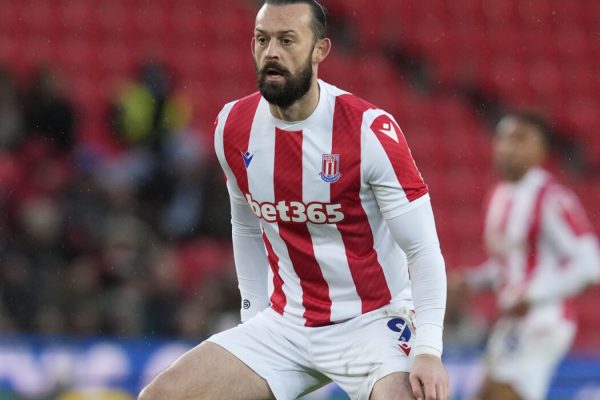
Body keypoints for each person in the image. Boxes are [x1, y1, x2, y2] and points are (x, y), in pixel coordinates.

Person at [139, 1, 449, 399]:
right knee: (159, 397)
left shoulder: (369, 130)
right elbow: (247, 225)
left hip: (372, 322)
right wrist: (251, 317)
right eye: (262, 39)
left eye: (287, 40)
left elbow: (423, 249)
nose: (272, 52)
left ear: (320, 50)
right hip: (286, 325)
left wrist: (428, 348)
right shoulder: (232, 127)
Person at [450, 112, 600, 400]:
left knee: (500, 394)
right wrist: (471, 281)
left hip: (543, 320)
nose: (508, 147)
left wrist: (534, 295)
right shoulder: (498, 195)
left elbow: (590, 265)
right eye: (503, 138)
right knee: (484, 394)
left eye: (520, 139)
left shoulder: (551, 197)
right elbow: (508, 266)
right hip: (513, 321)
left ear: (540, 150)